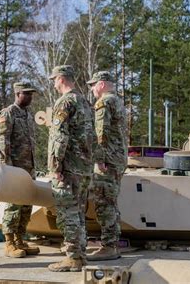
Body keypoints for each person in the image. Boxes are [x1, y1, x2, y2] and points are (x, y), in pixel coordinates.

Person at [47, 65, 93, 272]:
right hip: (84, 167)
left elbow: (59, 137)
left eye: (54, 80)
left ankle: (73, 257)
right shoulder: (84, 101)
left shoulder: (64, 102)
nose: (54, 84)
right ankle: (80, 254)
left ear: (62, 79)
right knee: (79, 211)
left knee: (68, 212)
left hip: (69, 168)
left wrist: (55, 166)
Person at [86, 71, 128, 261]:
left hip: (107, 160)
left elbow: (100, 133)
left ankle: (109, 246)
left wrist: (98, 159)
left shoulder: (104, 102)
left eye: (93, 85)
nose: (92, 89)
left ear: (101, 84)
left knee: (104, 203)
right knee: (111, 201)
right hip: (117, 158)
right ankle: (112, 243)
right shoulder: (118, 101)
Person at [0, 82, 41, 258]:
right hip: (14, 167)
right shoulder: (8, 113)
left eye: (31, 94)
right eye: (27, 94)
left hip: (28, 167)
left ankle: (20, 239)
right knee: (13, 205)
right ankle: (9, 242)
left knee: (26, 204)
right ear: (17, 94)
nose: (30, 97)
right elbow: (3, 141)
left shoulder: (28, 114)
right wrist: (5, 167)